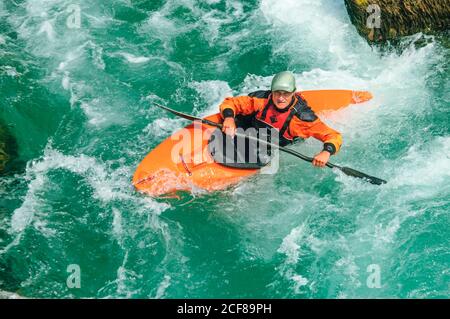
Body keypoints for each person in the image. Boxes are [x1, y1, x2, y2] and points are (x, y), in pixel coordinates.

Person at [218, 71, 342, 167]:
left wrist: (326, 152)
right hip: (252, 133)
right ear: (272, 92)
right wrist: (229, 118)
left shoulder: (301, 119)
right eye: (277, 93)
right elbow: (231, 103)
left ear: (293, 93)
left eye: (286, 94)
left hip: (272, 146)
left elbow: (333, 136)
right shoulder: (261, 99)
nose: (281, 98)